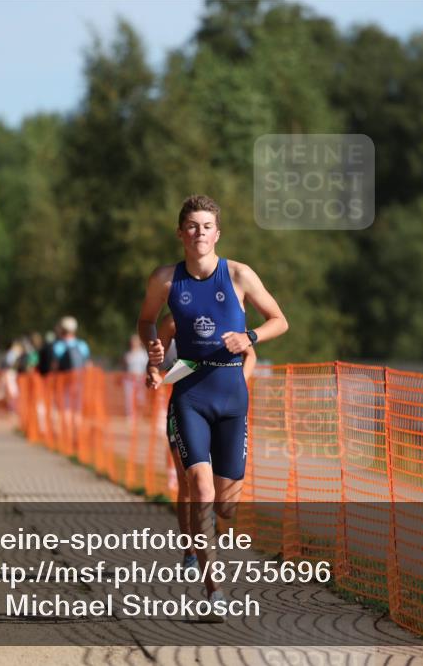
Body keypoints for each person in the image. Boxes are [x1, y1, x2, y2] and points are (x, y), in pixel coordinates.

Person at [138, 194, 288, 616]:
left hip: (232, 398)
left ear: (217, 234)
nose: (199, 233)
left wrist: (251, 338)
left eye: (206, 226)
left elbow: (280, 319)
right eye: (192, 226)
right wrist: (153, 354)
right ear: (180, 233)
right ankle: (213, 587)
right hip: (189, 392)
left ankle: (200, 547)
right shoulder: (166, 280)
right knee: (198, 488)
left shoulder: (239, 275)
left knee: (226, 506)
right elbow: (148, 321)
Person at [153, 313, 258, 572]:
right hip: (187, 407)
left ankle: (205, 521)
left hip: (225, 406)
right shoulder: (174, 321)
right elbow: (160, 364)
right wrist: (165, 371)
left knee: (219, 498)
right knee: (188, 484)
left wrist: (237, 383)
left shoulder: (230, 315)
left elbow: (250, 355)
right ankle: (190, 550)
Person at [51, 316, 91, 448]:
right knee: (77, 410)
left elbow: (55, 367)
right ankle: (77, 436)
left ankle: (68, 437)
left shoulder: (58, 346)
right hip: (79, 381)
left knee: (66, 409)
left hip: (64, 383)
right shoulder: (82, 345)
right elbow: (88, 365)